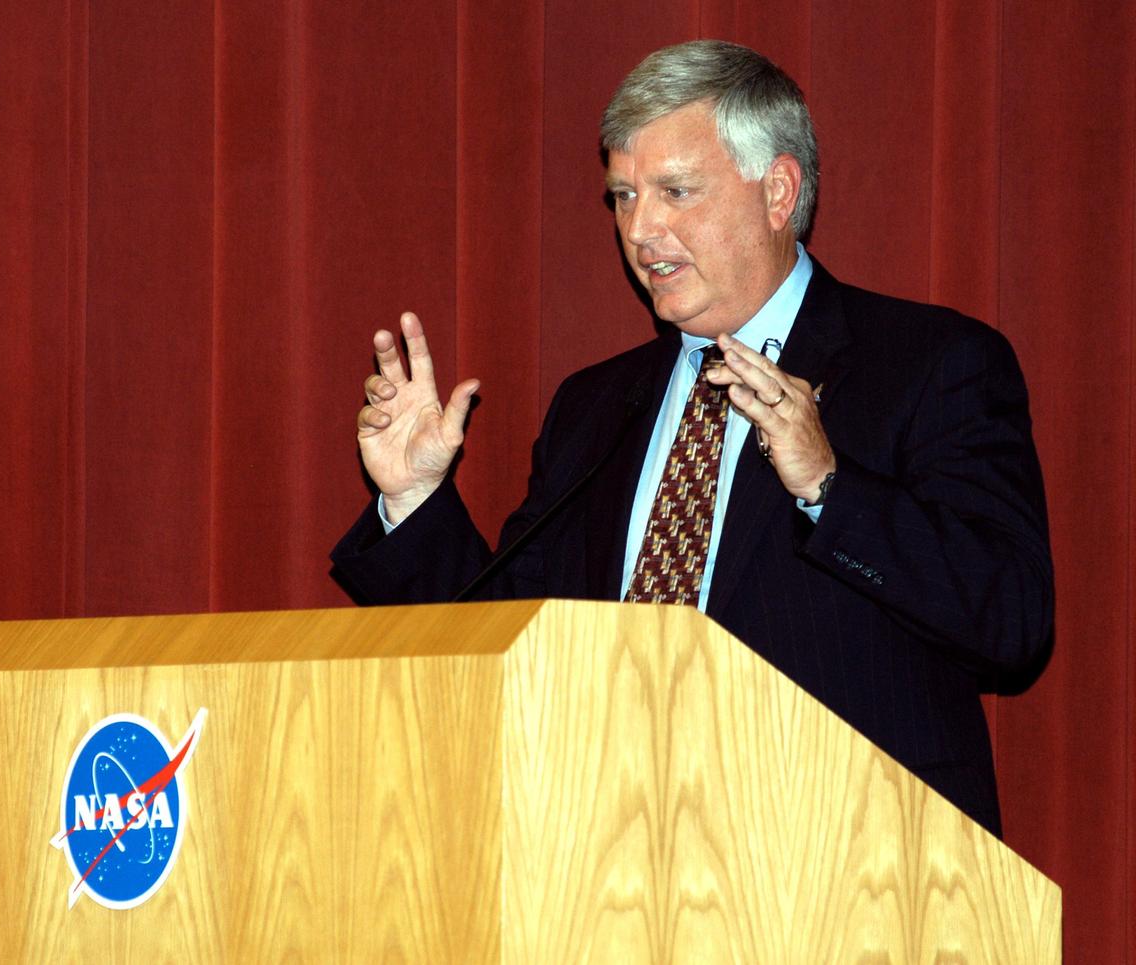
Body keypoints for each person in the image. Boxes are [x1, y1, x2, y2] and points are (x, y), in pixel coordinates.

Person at [331, 40, 1052, 837]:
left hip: (859, 872)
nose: (641, 230)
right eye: (623, 197)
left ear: (778, 191)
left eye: (675, 191)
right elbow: (510, 641)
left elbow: (1011, 622)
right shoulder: (595, 407)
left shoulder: (930, 365)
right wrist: (413, 496)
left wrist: (829, 487)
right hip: (615, 872)